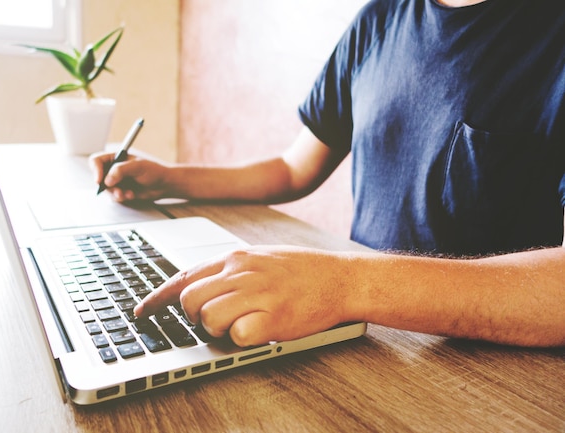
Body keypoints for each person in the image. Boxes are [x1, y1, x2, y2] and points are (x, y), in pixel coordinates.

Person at [90, 0, 565, 348]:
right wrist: (170, 179)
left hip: (487, 370)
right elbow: (292, 170)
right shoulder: (379, 18)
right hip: (363, 337)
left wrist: (344, 284)